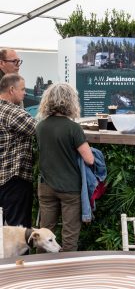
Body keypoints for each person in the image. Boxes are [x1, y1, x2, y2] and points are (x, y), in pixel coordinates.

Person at [36, 83, 94, 251]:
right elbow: (89, 159)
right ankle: (67, 271)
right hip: (69, 188)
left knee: (45, 233)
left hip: (45, 186)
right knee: (69, 234)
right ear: (70, 102)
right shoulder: (73, 128)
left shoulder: (40, 126)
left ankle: (41, 268)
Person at [0, 74, 36, 227]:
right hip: (13, 179)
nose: (25, 93)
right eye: (22, 89)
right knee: (19, 233)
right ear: (12, 89)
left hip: (3, 177)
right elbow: (40, 130)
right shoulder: (13, 112)